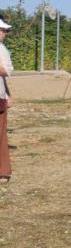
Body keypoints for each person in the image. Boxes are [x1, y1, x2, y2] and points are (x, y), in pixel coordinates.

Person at [0, 18, 14, 182]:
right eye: (2, 30)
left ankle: (3, 171)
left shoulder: (1, 49)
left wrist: (8, 95)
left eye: (4, 30)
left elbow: (7, 71)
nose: (4, 33)